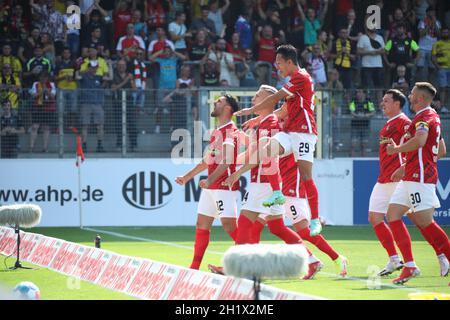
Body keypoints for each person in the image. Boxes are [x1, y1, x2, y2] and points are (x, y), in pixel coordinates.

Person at [236, 44, 322, 236]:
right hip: (291, 132)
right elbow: (283, 110)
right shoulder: (296, 80)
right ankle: (277, 193)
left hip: (304, 132)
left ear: (290, 62)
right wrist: (258, 118)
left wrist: (251, 110)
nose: (277, 67)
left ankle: (315, 219)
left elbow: (275, 98)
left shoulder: (301, 77)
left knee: (306, 176)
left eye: (279, 63)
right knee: (266, 150)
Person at [369, 88, 449, 278]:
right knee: (389, 215)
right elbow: (439, 147)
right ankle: (406, 263)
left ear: (420, 98)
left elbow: (424, 143)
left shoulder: (413, 120)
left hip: (416, 177)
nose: (410, 96)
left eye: (412, 93)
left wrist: (398, 153)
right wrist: (406, 166)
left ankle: (441, 256)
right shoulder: (425, 117)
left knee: (423, 221)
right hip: (404, 176)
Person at [175, 94, 240, 270]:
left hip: (224, 186)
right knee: (201, 224)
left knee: (229, 226)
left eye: (219, 101)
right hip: (213, 187)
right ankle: (194, 267)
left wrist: (210, 179)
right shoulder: (217, 132)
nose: (215, 103)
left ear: (228, 109)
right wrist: (187, 177)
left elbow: (226, 161)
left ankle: (252, 260)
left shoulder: (231, 131)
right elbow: (207, 161)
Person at [76, 60, 107, 153]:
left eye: (96, 67)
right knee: (85, 125)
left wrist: (108, 64)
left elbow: (110, 77)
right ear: (88, 68)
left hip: (97, 103)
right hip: (85, 103)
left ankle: (100, 145)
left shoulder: (99, 77)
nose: (94, 69)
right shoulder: (83, 76)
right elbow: (76, 76)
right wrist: (83, 70)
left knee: (100, 126)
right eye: (92, 67)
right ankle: (84, 146)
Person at [29, 71, 56, 153]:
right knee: (35, 127)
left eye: (45, 77)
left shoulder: (52, 84)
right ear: (39, 77)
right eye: (42, 77)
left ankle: (45, 148)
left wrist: (47, 91)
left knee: (46, 128)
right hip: (38, 107)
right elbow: (33, 95)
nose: (43, 79)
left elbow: (53, 96)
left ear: (47, 78)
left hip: (48, 108)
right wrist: (41, 91)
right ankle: (31, 147)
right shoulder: (35, 84)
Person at [348, 89, 376, 157]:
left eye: (360, 92)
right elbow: (351, 111)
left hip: (365, 125)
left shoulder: (369, 101)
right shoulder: (353, 100)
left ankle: (363, 160)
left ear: (364, 94)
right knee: (353, 145)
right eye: (357, 92)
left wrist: (366, 115)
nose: (358, 94)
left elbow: (373, 112)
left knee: (364, 145)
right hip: (355, 125)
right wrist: (357, 116)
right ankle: (351, 159)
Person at [432, 27, 450, 107]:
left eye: (447, 32)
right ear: (441, 33)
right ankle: (442, 106)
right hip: (442, 68)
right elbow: (433, 56)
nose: (445, 34)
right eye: (444, 32)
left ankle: (447, 106)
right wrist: (438, 66)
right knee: (443, 88)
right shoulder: (437, 44)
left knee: (448, 88)